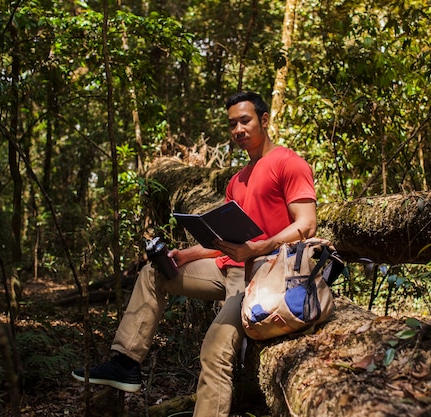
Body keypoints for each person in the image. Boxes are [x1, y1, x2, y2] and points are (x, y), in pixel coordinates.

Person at [72, 91, 317, 417]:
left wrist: (258, 247)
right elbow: (226, 240)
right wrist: (185, 255)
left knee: (215, 350)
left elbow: (307, 224)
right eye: (232, 124)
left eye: (245, 121)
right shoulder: (237, 180)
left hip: (264, 275)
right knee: (156, 271)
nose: (238, 130)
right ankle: (125, 362)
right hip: (227, 266)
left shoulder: (289, 163)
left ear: (264, 120)